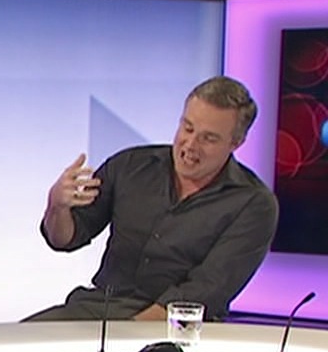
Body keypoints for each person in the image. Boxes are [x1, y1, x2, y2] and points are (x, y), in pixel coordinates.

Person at [25, 75, 278, 323]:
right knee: (21, 339)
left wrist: (125, 336)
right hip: (101, 308)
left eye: (208, 138)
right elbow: (64, 240)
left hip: (178, 326)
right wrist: (56, 206)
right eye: (187, 128)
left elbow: (206, 289)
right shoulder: (130, 166)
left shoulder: (253, 204)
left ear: (236, 143)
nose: (190, 145)